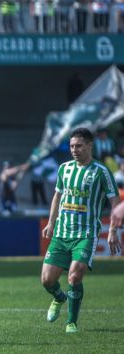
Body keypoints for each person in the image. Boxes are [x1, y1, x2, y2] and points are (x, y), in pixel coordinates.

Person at [41, 128, 121, 334]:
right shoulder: (64, 169)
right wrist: (51, 222)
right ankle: (59, 297)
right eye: (71, 146)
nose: (74, 150)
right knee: (47, 280)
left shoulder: (101, 171)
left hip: (86, 233)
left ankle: (71, 322)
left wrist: (113, 229)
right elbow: (57, 197)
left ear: (89, 145)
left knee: (74, 277)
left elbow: (115, 202)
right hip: (61, 233)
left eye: (79, 146)